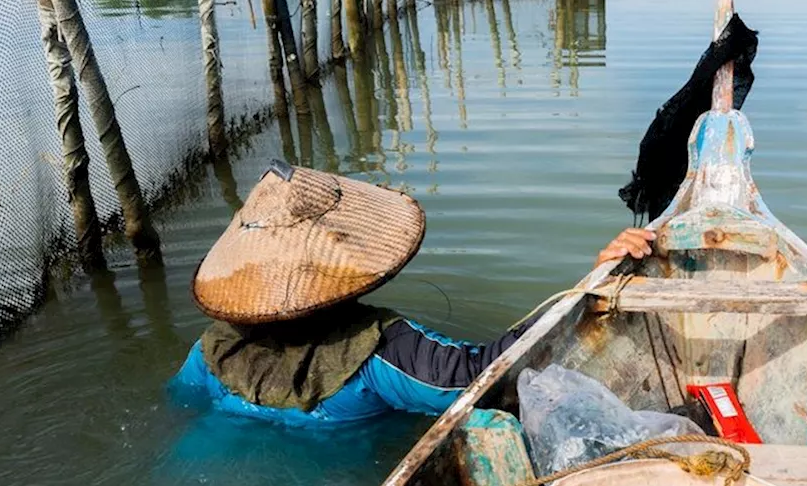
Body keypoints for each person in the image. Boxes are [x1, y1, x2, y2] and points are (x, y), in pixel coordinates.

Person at [170, 161, 654, 425]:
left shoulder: (213, 348)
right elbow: (482, 380)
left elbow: (178, 403)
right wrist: (588, 287)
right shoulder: (379, 351)